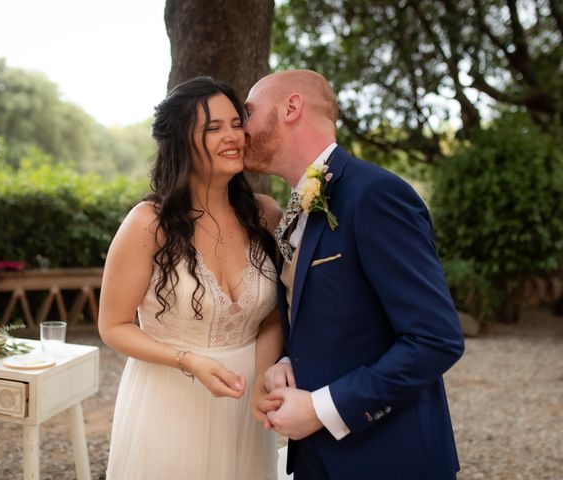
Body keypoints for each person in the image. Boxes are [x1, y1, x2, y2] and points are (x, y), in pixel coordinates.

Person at [244, 70, 465, 479]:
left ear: (291, 107)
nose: (241, 128)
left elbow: (436, 339)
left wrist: (321, 409)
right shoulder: (295, 210)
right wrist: (287, 359)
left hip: (388, 458)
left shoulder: (374, 195)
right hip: (316, 459)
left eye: (249, 112)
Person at [98, 77, 284, 479]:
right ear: (181, 141)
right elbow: (112, 326)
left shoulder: (266, 215)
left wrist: (263, 380)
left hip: (245, 400)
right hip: (169, 395)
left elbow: (274, 313)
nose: (233, 135)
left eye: (236, 123)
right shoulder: (148, 224)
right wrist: (188, 361)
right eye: (213, 128)